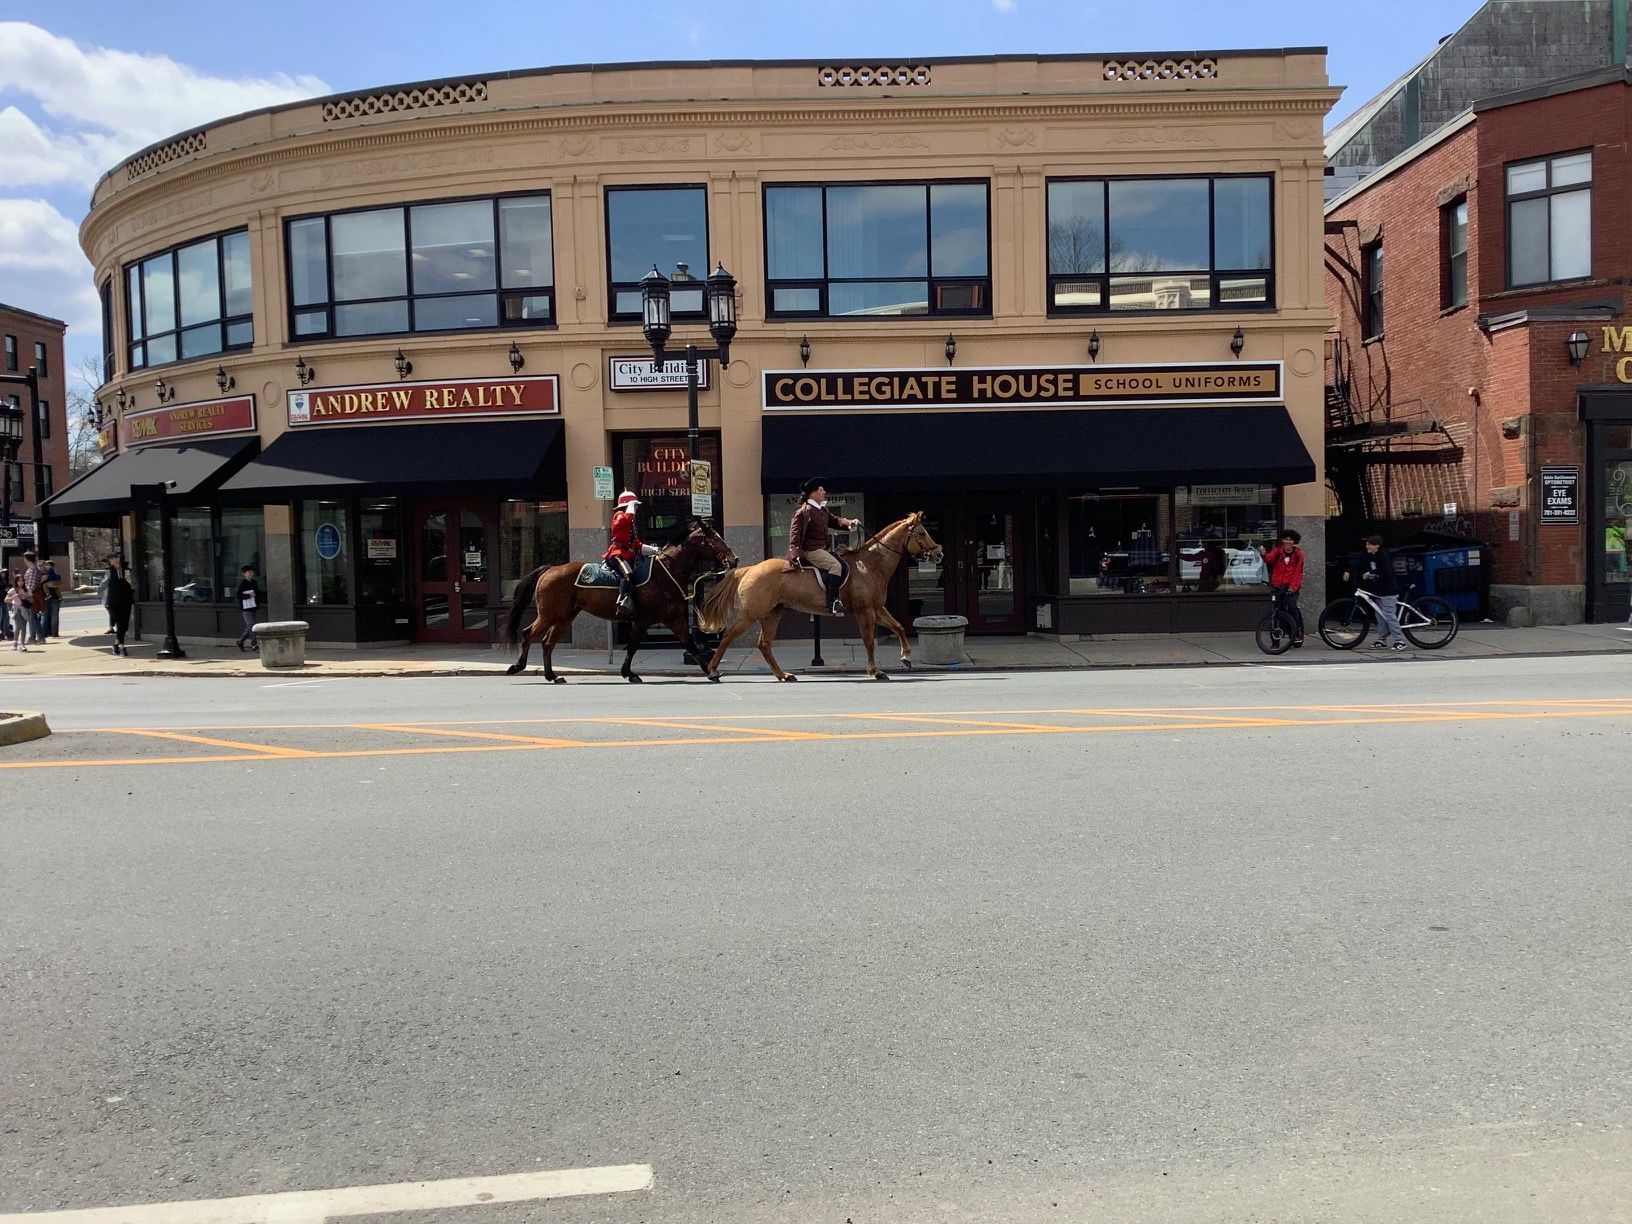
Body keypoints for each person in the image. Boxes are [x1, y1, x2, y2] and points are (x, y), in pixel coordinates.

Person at [784, 479, 861, 615]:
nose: (824, 492)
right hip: (811, 550)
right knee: (835, 566)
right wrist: (795, 554)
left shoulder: (822, 510)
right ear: (812, 493)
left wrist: (850, 523)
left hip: (822, 549)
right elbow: (794, 535)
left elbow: (836, 520)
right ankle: (832, 603)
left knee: (842, 563)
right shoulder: (803, 512)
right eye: (821, 490)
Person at [1344, 534, 1405, 650]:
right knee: (1380, 616)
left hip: (1388, 591)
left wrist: (1371, 573)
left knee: (1389, 615)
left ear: (1376, 546)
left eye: (1369, 544)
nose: (1366, 546)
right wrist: (1348, 570)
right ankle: (1382, 640)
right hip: (1379, 591)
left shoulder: (1383, 555)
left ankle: (1400, 640)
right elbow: (1360, 563)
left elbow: (1385, 571)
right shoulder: (1370, 556)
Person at [603, 490, 658, 614]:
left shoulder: (631, 522)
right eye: (635, 505)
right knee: (628, 573)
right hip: (617, 554)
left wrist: (652, 549)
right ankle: (622, 600)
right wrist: (631, 506)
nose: (637, 507)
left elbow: (636, 544)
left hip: (629, 555)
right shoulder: (619, 515)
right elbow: (622, 521)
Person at [1260, 529, 1307, 646]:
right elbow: (1268, 559)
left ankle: (1296, 633)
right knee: (1276, 612)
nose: (1287, 542)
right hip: (1278, 586)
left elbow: (1298, 573)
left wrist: (1293, 588)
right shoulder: (1277, 551)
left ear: (1294, 541)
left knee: (1291, 607)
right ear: (1282, 540)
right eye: (1285, 539)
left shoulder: (1298, 554)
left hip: (1291, 586)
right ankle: (1275, 641)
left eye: (1290, 540)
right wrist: (1263, 554)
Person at [106, 566, 135, 657]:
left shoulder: (128, 577)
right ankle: (122, 647)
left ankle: (115, 645)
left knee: (124, 626)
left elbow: (132, 590)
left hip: (126, 602)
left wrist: (130, 582)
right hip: (114, 603)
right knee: (120, 623)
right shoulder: (111, 574)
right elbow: (102, 585)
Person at [235, 563, 261, 652]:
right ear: (244, 574)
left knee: (250, 626)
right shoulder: (242, 583)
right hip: (246, 608)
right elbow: (238, 595)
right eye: (249, 572)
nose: (251, 574)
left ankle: (240, 641)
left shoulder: (254, 582)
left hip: (253, 606)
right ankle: (254, 644)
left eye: (252, 572)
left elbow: (257, 593)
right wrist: (249, 595)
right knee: (251, 626)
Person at [19, 550, 42, 646]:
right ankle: (39, 637)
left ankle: (33, 637)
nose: (24, 560)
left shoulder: (33, 569)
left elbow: (31, 585)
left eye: (24, 558)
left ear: (27, 559)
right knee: (34, 617)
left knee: (32, 617)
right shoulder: (33, 569)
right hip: (32, 595)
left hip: (32, 595)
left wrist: (26, 594)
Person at [99, 553, 123, 634]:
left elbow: (104, 583)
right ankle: (112, 627)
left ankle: (115, 627)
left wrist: (98, 590)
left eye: (106, 564)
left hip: (110, 595)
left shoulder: (110, 571)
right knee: (112, 611)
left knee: (112, 611)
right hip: (113, 594)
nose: (105, 566)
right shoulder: (115, 570)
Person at [5, 573, 30, 651]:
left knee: (22, 627)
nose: (21, 582)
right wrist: (14, 596)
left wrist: (25, 597)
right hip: (16, 609)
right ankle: (19, 643)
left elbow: (31, 600)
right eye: (19, 580)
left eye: (22, 580)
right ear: (16, 581)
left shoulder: (27, 589)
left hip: (25, 609)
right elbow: (6, 600)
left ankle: (19, 643)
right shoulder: (13, 590)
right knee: (20, 626)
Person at [40, 555, 63, 640]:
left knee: (46, 616)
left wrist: (53, 585)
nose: (44, 566)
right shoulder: (53, 573)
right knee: (52, 616)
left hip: (49, 598)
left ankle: (44, 634)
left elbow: (59, 583)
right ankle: (54, 633)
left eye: (45, 565)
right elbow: (60, 583)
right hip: (52, 597)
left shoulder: (46, 574)